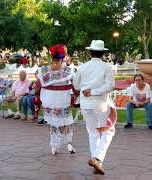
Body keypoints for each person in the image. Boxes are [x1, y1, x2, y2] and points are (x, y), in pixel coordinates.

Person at [73, 40, 117, 175]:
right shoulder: (107, 67)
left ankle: (96, 160)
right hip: (100, 104)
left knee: (93, 133)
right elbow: (110, 86)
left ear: (90, 52)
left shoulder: (82, 67)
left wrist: (88, 90)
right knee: (108, 131)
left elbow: (76, 85)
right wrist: (94, 91)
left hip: (86, 104)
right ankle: (97, 158)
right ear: (103, 53)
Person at [38, 44, 76, 155]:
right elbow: (75, 82)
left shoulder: (44, 70)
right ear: (62, 58)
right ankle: (68, 143)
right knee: (65, 121)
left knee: (53, 123)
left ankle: (54, 146)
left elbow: (39, 81)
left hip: (49, 99)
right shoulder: (68, 70)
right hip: (63, 99)